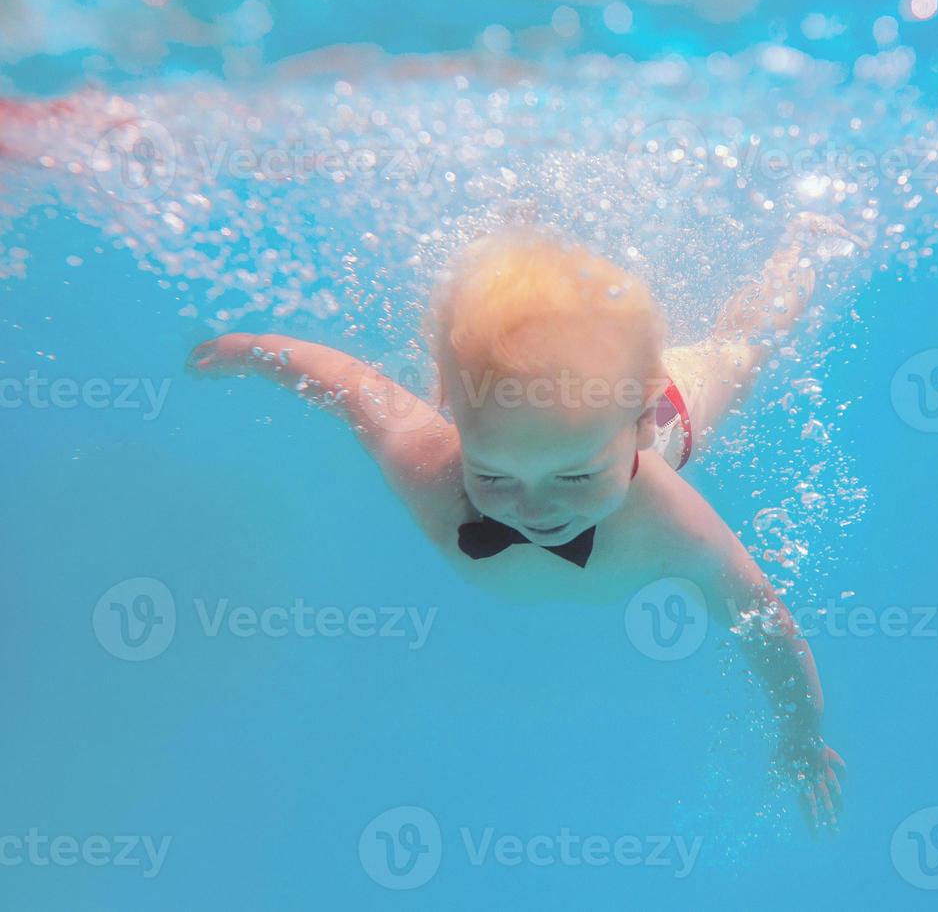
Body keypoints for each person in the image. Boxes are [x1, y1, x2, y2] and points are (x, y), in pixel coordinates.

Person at [187, 216, 861, 833]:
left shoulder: (672, 521)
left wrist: (799, 731)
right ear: (454, 418)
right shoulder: (428, 459)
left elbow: (763, 621)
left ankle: (801, 249)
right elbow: (345, 383)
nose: (534, 510)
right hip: (538, 415)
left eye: (573, 477)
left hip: (675, 413)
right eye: (495, 476)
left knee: (736, 350)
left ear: (633, 431)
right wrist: (254, 350)